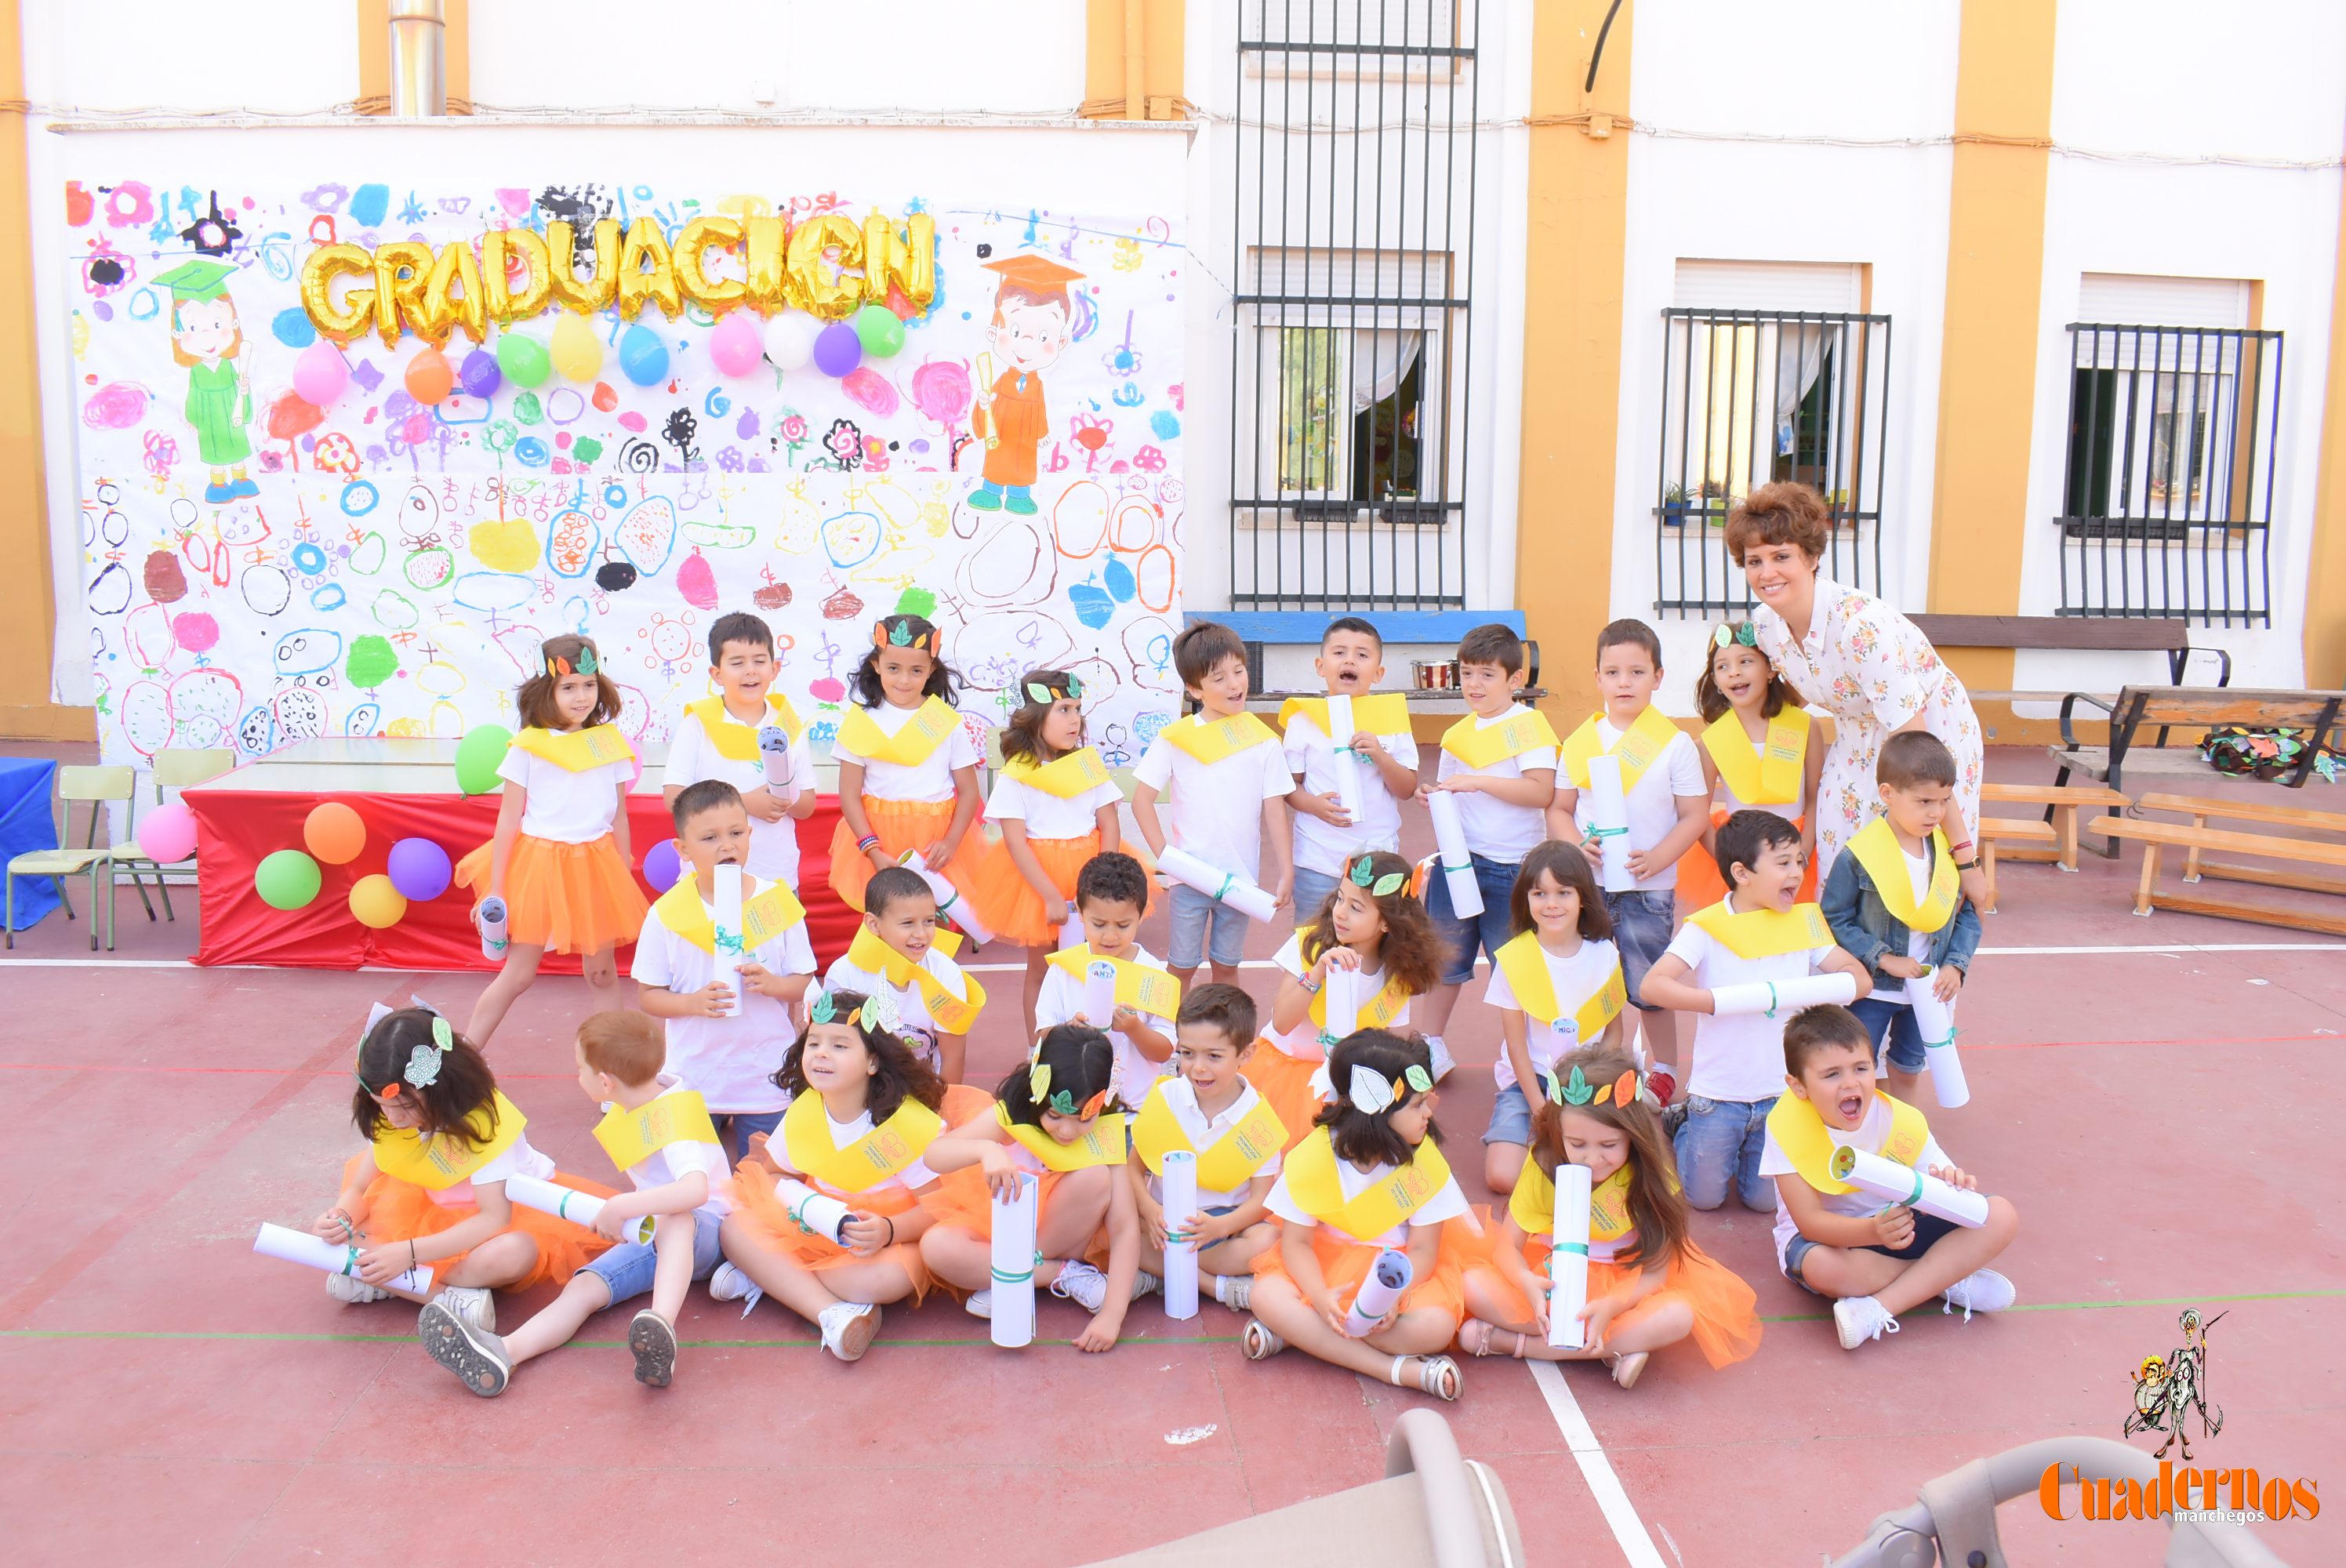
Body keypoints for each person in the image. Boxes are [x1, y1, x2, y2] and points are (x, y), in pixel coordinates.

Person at [417, 1011, 734, 1395]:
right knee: (584, 1289)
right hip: (654, 1234)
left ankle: (660, 1324)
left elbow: (695, 1192)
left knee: (678, 1219)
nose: (577, 1076)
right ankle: (503, 1353)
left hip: (707, 1234)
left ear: (604, 1081)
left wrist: (623, 1206)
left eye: (580, 1068)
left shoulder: (674, 1115)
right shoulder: (636, 1104)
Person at [1733, 482, 1988, 903]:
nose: (1767, 573)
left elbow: (1917, 748)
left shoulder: (1860, 629)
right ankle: (1847, 961)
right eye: (1753, 561)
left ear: (1812, 558)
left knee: (1910, 859)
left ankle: (1915, 958)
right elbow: (1795, 691)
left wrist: (1965, 858)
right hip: (1855, 734)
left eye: (1782, 557)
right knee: (1840, 858)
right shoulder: (1765, 625)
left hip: (1926, 734)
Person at [714, 988, 992, 1362]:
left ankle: (775, 1279)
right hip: (814, 1223)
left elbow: (938, 1207)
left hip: (885, 1237)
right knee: (733, 1229)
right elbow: (776, 1174)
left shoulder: (903, 1124)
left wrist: (888, 1230)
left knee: (879, 1281)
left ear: (873, 1062)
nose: (822, 1054)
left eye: (840, 1046)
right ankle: (831, 1312)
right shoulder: (806, 1111)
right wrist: (807, 1204)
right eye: (814, 1043)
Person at [1458, 1048, 1762, 1384]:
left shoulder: (1650, 1175)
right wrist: (1525, 1282)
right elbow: (1507, 1247)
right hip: (1550, 1275)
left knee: (1677, 1317)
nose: (1593, 1158)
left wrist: (1614, 1305)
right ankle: (1615, 1348)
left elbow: (1656, 1270)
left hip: (1622, 1281)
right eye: (1578, 1143)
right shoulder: (1544, 1163)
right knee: (1473, 1285)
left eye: (1609, 1145)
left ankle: (1512, 1343)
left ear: (1634, 1136)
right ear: (1559, 1133)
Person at [316, 1004, 611, 1330]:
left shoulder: (485, 1122)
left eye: (403, 1106)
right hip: (425, 1212)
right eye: (382, 1106)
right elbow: (360, 1187)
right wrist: (341, 1218)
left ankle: (385, 1278)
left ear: (441, 1089)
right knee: (344, 1236)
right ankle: (439, 1295)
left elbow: (494, 1218)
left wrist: (407, 1253)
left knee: (514, 1253)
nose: (394, 1118)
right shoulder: (391, 1118)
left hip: (499, 1218)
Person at [1640, 811, 1871, 1212]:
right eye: (1783, 863)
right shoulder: (1708, 927)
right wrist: (1719, 1001)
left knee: (1764, 1203)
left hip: (1782, 1093)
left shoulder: (1805, 924)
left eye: (1799, 861)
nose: (1797, 872)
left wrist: (1789, 994)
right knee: (1705, 1200)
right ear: (1742, 874)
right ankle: (1683, 1124)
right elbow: (1653, 985)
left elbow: (1859, 979)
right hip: (1720, 1092)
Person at [1760, 1005, 2020, 1350]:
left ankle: (1878, 1307)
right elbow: (1809, 1223)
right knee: (1825, 1270)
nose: (1851, 1082)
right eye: (1831, 1074)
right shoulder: (1786, 1127)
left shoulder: (1900, 1120)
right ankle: (1943, 1275)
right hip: (1835, 1239)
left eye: (1861, 1068)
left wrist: (1952, 1182)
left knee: (2000, 1215)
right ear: (1799, 1086)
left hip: (1898, 1227)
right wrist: (1870, 1231)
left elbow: (1938, 1178)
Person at [1241, 1030, 1468, 1403]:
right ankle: (1393, 1370)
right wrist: (1318, 1295)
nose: (1429, 1113)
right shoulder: (1315, 1155)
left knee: (1435, 1327)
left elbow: (1424, 1250)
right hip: (1322, 1270)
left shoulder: (1424, 1164)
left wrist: (1395, 1300)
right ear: (1377, 1110)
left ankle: (1304, 1336)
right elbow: (1296, 1243)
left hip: (1395, 1275)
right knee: (1265, 1294)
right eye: (1417, 1105)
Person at [456, 635, 647, 1048]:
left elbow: (618, 815)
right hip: (539, 865)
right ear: (549, 688)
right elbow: (509, 820)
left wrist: (623, 867)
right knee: (519, 973)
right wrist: (500, 889)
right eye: (569, 687)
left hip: (596, 866)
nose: (581, 696)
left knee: (602, 974)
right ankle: (464, 1056)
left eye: (589, 684)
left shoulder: (609, 744)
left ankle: (616, 1068)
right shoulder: (529, 747)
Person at [918, 1024, 1156, 1350]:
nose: (1068, 1132)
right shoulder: (1012, 1115)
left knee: (1095, 1176)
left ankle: (1010, 1278)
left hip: (1069, 1234)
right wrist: (987, 1150)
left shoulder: (1105, 1134)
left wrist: (1113, 1315)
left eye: (1083, 1119)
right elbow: (934, 1155)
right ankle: (1060, 1276)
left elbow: (1125, 1228)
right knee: (937, 1246)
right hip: (1001, 1227)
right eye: (1055, 1116)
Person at [1550, 619, 1711, 1092]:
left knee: (1649, 984)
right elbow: (1560, 810)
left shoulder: (1676, 745)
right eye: (1614, 672)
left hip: (1649, 887)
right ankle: (1588, 1061)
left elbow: (1695, 815)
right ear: (1597, 677)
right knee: (1585, 978)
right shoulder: (1580, 742)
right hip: (1588, 886)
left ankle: (1664, 1070)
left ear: (1658, 677)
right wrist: (1577, 846)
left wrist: (1660, 857)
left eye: (1637, 672)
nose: (1625, 682)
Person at [632, 780, 819, 1165]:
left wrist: (772, 985)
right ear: (683, 849)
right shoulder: (667, 914)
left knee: (766, 1180)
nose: (727, 846)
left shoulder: (775, 903)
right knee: (695, 1182)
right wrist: (693, 1003)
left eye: (736, 833)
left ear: (750, 835)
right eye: (710, 838)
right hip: (695, 1078)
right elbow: (649, 995)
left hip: (765, 1076)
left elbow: (802, 982)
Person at [1414, 622, 1559, 1081]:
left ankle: (1527, 1056)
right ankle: (1431, 1047)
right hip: (1459, 863)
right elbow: (1452, 792)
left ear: (1514, 681)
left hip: (1514, 868)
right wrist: (1434, 794)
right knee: (1443, 960)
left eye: (1486, 675)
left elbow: (1540, 792)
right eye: (1467, 673)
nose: (1473, 685)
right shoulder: (1458, 732)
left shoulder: (1529, 725)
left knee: (1514, 968)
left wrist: (1475, 781)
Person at [1821, 732, 1983, 1104]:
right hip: (1874, 988)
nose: (1936, 813)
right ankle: (1856, 1135)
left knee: (1909, 1067)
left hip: (1929, 988)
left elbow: (1970, 913)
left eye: (1943, 801)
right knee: (1854, 1066)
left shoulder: (1945, 853)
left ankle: (1902, 1135)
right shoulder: (1860, 854)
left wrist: (1956, 965)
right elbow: (1834, 917)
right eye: (1924, 801)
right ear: (1888, 793)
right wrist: (1883, 957)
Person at [1132, 620, 1295, 988]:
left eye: (1239, 671)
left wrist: (1286, 870)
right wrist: (1166, 855)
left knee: (1226, 967)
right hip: (1189, 876)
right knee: (1182, 967)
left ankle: (1228, 1042)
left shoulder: (1263, 740)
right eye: (1219, 678)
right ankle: (1170, 1038)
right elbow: (1142, 799)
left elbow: (1275, 808)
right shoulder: (1177, 738)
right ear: (1194, 689)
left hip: (1240, 880)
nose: (1235, 684)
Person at [1251, 848, 1445, 1144]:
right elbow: (1282, 1024)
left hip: (1348, 1077)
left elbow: (1383, 1045)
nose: (1340, 912)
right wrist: (1317, 973)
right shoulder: (1310, 944)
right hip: (1287, 1071)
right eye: (1340, 898)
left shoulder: (1397, 977)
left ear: (1386, 922)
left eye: (1356, 907)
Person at [968, 668, 1124, 1023]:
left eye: (1078, 709)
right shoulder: (1018, 774)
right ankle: (1037, 1047)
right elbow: (1014, 841)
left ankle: (1096, 1036)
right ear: (1036, 718)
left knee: (1095, 963)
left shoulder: (1087, 765)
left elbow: (1109, 822)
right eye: (1064, 710)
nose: (1075, 720)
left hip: (1092, 871)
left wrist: (1104, 880)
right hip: (1038, 883)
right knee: (1042, 968)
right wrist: (1051, 896)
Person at [1481, 840, 1627, 1194]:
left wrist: (1593, 1088)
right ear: (1525, 899)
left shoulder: (1604, 953)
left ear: (1582, 898)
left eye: (1563, 893)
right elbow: (1516, 1047)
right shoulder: (1515, 958)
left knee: (1603, 1173)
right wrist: (1540, 1109)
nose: (1551, 904)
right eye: (1539, 893)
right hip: (1531, 1081)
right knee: (1502, 1177)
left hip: (1590, 1080)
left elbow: (1613, 1034)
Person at [1128, 984, 1286, 1308]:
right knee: (1115, 1225)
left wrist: (1220, 1226)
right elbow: (1134, 1168)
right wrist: (1149, 1209)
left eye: (1214, 1056)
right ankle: (1212, 1284)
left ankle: (1167, 1274)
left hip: (1224, 1225)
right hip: (1162, 1222)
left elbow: (1261, 1200)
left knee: (1268, 1240)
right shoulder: (1166, 1097)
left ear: (1246, 1054)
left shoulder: (1258, 1121)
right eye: (1187, 1053)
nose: (1198, 1067)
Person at [828, 612, 982, 915]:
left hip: (935, 843)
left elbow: (968, 792)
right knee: (884, 922)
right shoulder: (861, 722)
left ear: (931, 670)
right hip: (878, 839)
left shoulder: (946, 723)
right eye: (893, 668)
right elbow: (848, 795)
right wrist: (872, 850)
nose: (904, 679)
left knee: (932, 924)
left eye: (916, 670)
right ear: (876, 665)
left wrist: (951, 843)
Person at [662, 611, 819, 891]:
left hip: (775, 874)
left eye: (760, 661)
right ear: (717, 674)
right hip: (710, 878)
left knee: (776, 937)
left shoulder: (788, 725)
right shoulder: (698, 723)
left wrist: (783, 797)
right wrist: (744, 803)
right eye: (737, 663)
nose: (750, 670)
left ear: (775, 669)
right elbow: (674, 798)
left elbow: (806, 806)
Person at [1279, 616, 1420, 917]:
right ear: (1321, 666)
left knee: (1371, 943)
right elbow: (1289, 785)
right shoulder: (1303, 719)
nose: (1350, 661)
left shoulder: (1390, 718)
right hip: (1317, 856)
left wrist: (1382, 757)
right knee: (1314, 941)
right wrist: (1314, 806)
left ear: (1379, 673)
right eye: (1340, 652)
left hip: (1377, 854)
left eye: (1362, 655)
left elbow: (1406, 788)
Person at [1677, 621, 1821, 909]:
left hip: (1795, 848)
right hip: (1739, 854)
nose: (1735, 672)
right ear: (1716, 680)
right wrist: (1728, 861)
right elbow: (1698, 813)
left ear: (1770, 669)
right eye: (1723, 666)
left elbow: (1815, 799)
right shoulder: (1710, 741)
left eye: (1746, 661)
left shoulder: (1805, 726)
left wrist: (1801, 854)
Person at [1033, 851, 1179, 1109]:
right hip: (1074, 1107)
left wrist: (1135, 1028)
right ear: (1079, 910)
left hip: (1133, 1108)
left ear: (1142, 913)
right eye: (1099, 924)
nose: (1110, 936)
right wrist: (1068, 1030)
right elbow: (1044, 1035)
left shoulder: (1154, 975)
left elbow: (1164, 1051)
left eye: (1123, 925)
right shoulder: (1064, 968)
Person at [823, 866, 987, 1084]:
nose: (921, 934)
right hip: (861, 1091)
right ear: (873, 924)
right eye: (908, 923)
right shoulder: (844, 974)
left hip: (923, 1091)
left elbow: (953, 1058)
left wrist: (942, 1113)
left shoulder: (946, 973)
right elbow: (833, 1049)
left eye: (929, 921)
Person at [968, 254, 1082, 515]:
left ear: (1061, 343)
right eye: (1016, 332)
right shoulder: (999, 381)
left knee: (1023, 464)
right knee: (998, 460)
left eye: (1043, 337)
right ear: (993, 333)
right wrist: (984, 403)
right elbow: (985, 405)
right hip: (1002, 432)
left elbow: (1040, 411)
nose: (1027, 346)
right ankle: (991, 490)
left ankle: (1019, 495)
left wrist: (1041, 434)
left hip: (1026, 436)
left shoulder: (1038, 386)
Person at [152, 258, 258, 503]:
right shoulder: (197, 372)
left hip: (232, 413)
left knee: (237, 446)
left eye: (217, 324)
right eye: (193, 327)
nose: (207, 335)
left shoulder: (229, 366)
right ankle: (218, 484)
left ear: (234, 324)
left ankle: (241, 479)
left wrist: (244, 393)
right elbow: (194, 395)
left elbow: (239, 387)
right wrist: (193, 418)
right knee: (215, 452)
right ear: (179, 335)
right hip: (210, 418)